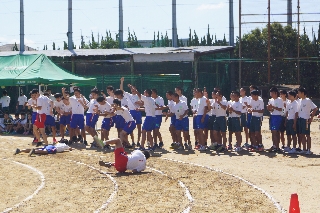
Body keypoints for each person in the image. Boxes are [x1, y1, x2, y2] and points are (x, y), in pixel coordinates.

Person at [129, 85, 156, 151]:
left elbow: (139, 94)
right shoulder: (152, 100)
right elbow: (147, 108)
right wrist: (140, 109)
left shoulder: (147, 99)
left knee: (143, 131)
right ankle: (152, 147)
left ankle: (142, 146)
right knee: (149, 132)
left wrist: (134, 89)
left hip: (149, 118)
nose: (143, 94)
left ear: (147, 93)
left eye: (144, 93)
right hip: (153, 117)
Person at [120, 77, 142, 146]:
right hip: (131, 112)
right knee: (130, 127)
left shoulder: (138, 96)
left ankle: (138, 141)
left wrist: (139, 103)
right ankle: (132, 141)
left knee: (139, 127)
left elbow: (142, 103)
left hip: (138, 111)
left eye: (134, 88)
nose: (133, 89)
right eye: (132, 88)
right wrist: (122, 81)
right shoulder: (128, 95)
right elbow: (121, 90)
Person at [297, 87, 318, 154]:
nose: (298, 94)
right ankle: (304, 149)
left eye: (299, 93)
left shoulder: (308, 100)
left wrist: (311, 118)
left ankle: (309, 149)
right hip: (300, 119)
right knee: (302, 134)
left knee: (307, 134)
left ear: (303, 93)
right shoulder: (299, 101)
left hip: (305, 119)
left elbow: (315, 108)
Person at [267, 87, 283, 152]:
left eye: (272, 93)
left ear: (275, 93)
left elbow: (280, 109)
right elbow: (270, 110)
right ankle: (274, 145)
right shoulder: (270, 100)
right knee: (273, 131)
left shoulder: (280, 100)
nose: (271, 94)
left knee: (275, 131)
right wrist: (269, 108)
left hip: (277, 117)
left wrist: (273, 107)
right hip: (272, 116)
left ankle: (277, 146)